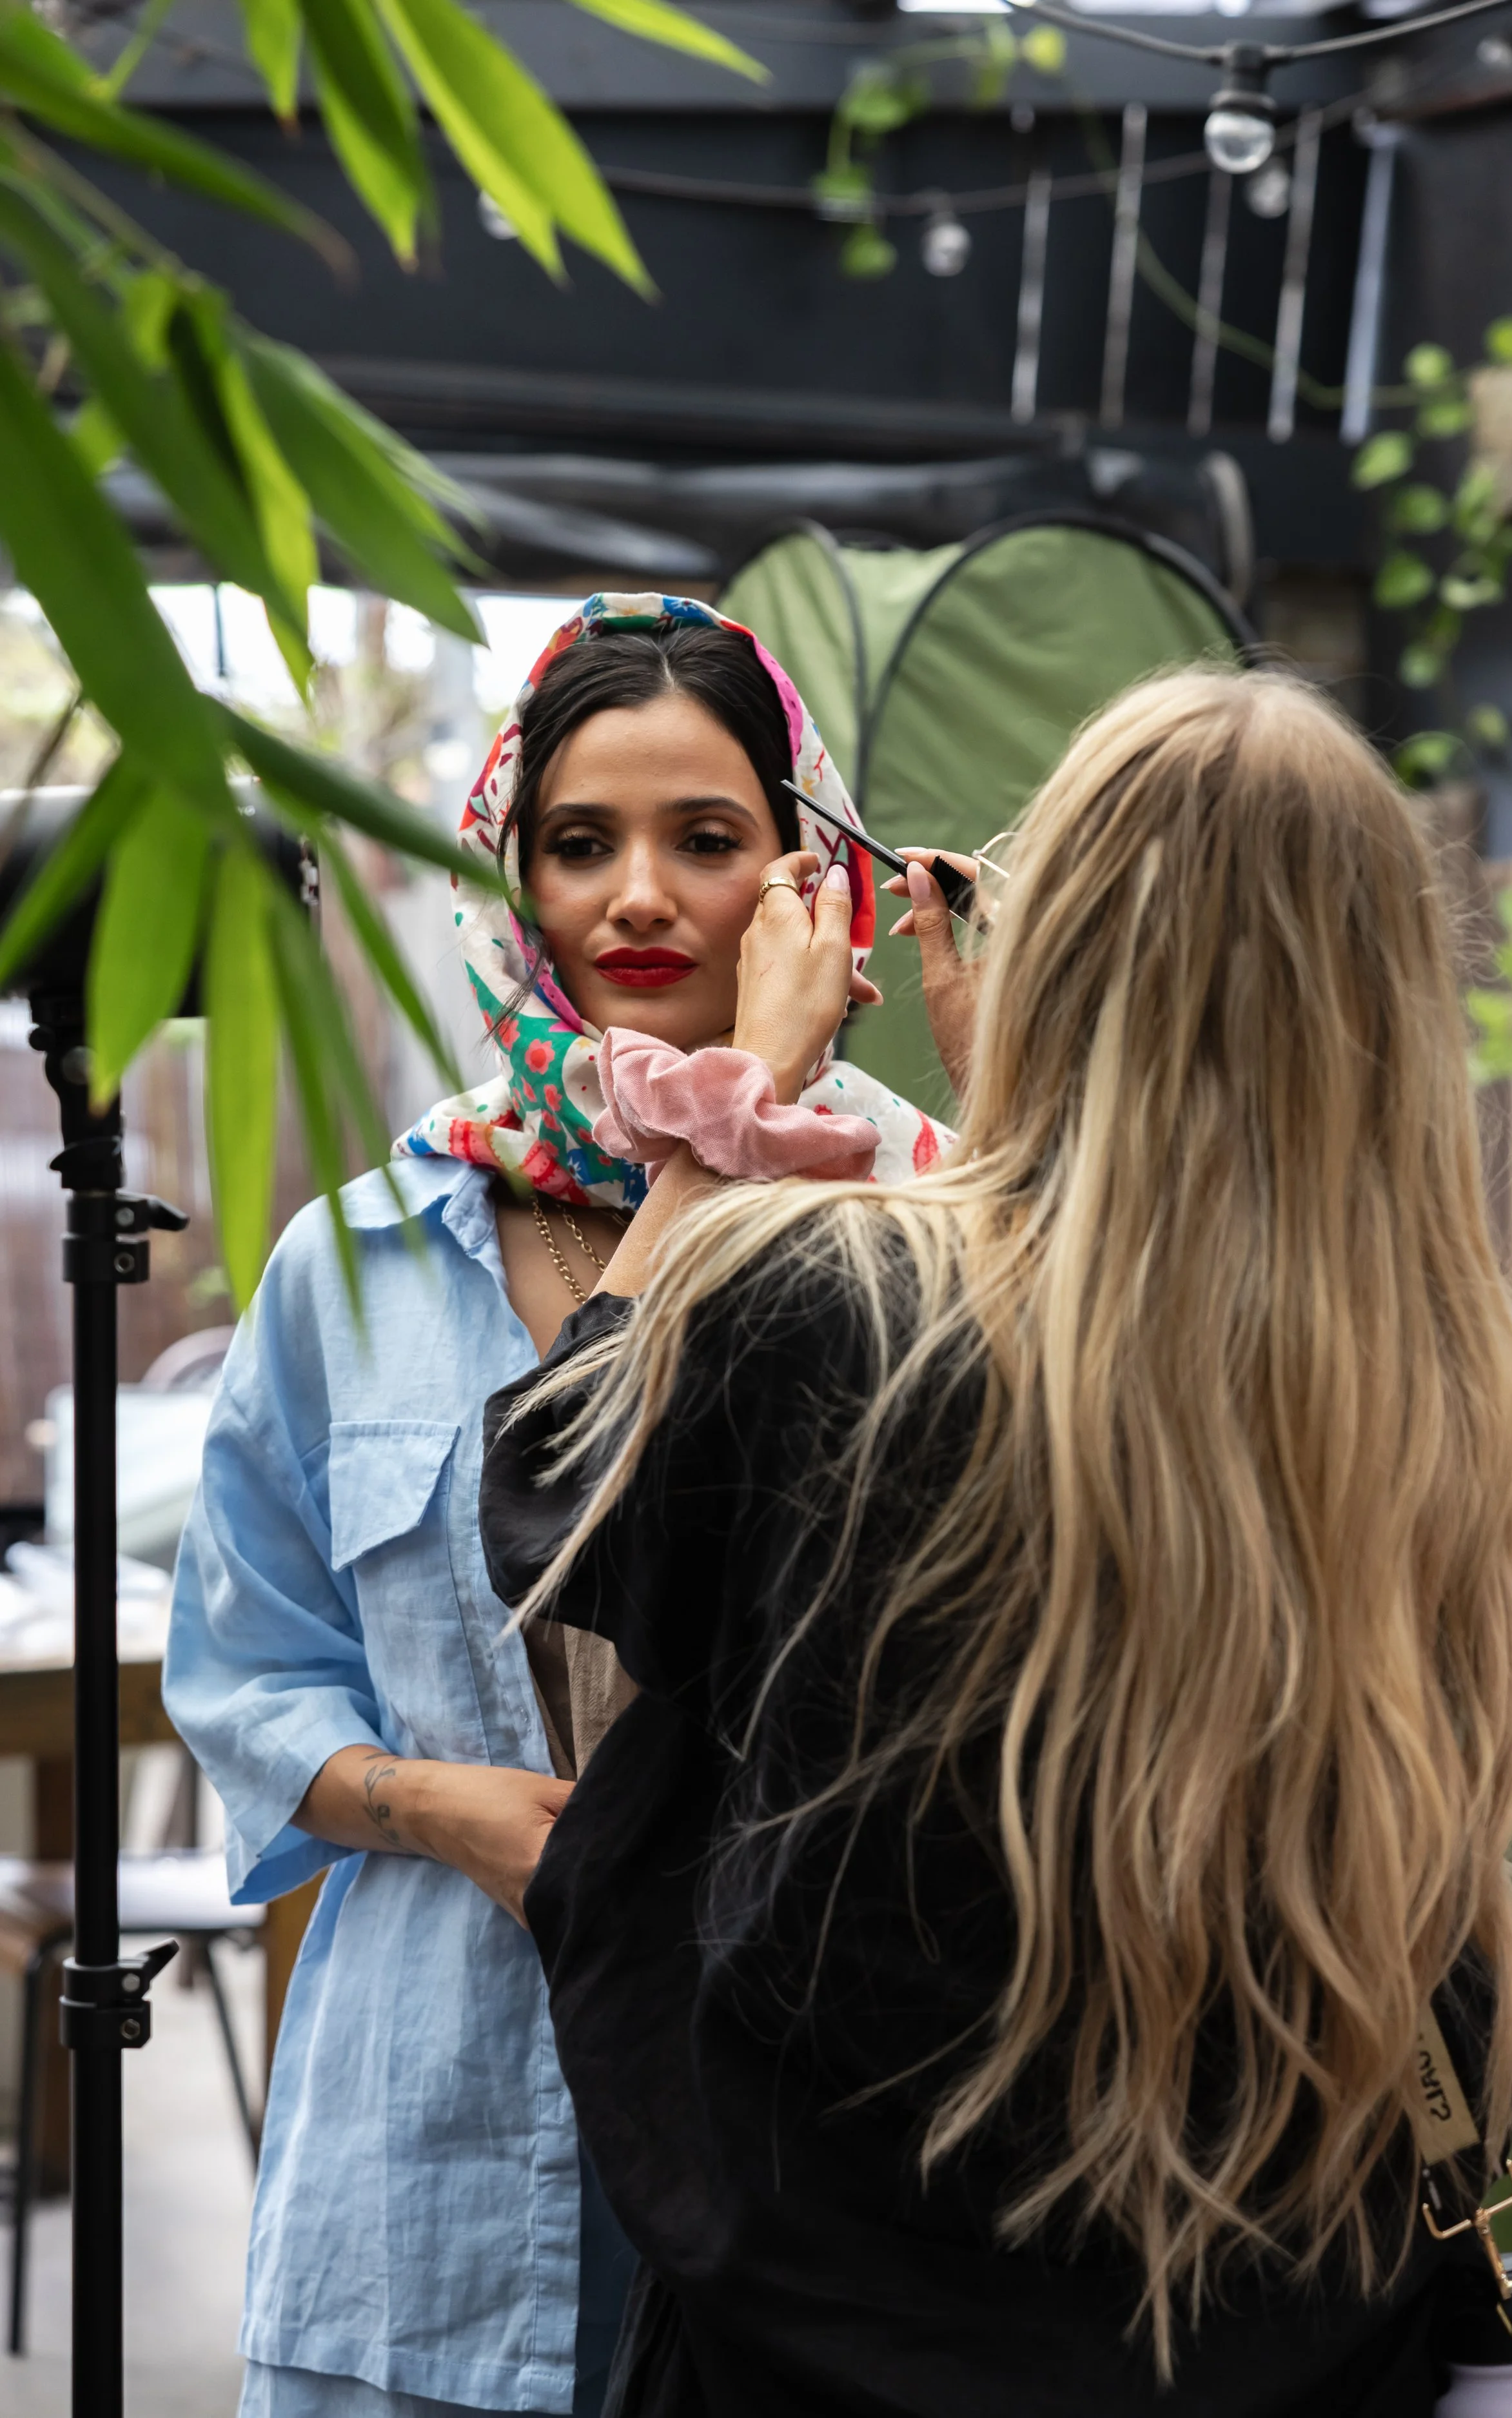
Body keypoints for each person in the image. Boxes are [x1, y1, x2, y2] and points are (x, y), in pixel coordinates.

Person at [480, 667, 1512, 2418]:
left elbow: (549, 1495)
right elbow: (1111, 1333)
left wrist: (738, 1098)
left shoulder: (826, 1298)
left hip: (846, 2341)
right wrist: (1026, 1117)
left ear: (1054, 953)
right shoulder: (1430, 1389)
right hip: (1290, 2335)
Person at [164, 593, 945, 2418]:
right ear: (504, 873)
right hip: (426, 2184)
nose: (638, 898)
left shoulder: (928, 1226)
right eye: (579, 843)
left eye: (707, 838)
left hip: (826, 2164)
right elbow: (242, 1671)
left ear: (803, 873)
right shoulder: (355, 1260)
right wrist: (440, 1806)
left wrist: (729, 1130)